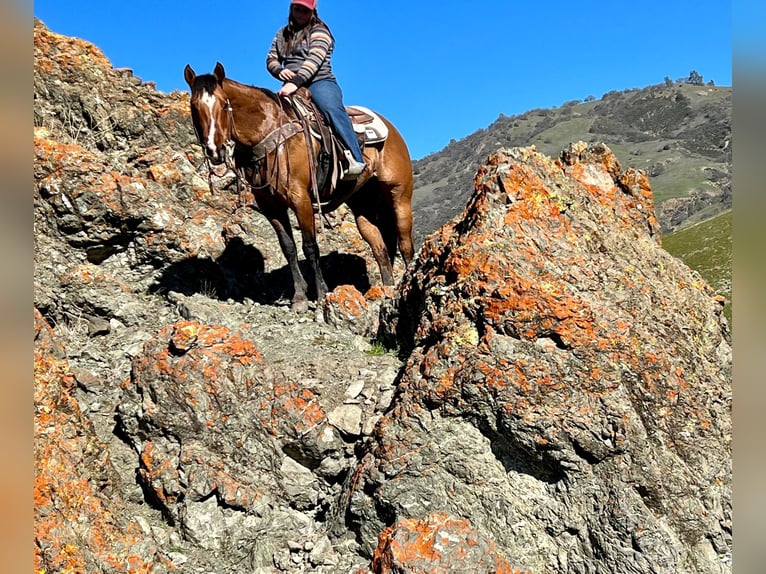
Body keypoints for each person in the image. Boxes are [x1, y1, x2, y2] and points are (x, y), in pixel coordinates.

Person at [266, 0, 366, 178]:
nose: (300, 13)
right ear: (291, 9)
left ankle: (356, 158)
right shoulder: (282, 34)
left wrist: (294, 82)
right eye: (297, 9)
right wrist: (280, 71)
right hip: (291, 84)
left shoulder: (320, 31)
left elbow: (314, 62)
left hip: (320, 81)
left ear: (313, 12)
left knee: (330, 108)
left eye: (305, 10)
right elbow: (271, 58)